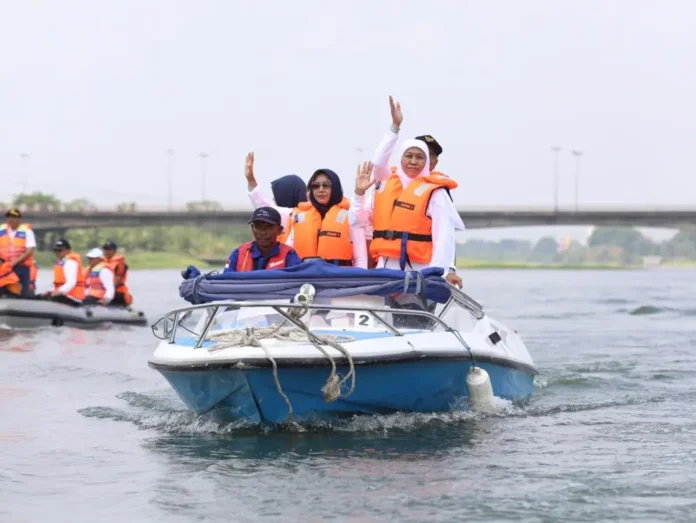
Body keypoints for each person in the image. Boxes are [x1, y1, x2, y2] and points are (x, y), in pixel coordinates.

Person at [351, 141, 464, 288]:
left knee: (411, 310)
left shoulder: (436, 193)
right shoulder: (383, 189)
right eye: (408, 156)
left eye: (419, 157)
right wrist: (359, 194)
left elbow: (444, 236)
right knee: (385, 310)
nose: (413, 161)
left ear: (428, 162)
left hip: (420, 271)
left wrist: (440, 273)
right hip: (386, 269)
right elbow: (357, 222)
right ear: (400, 159)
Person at [244, 155, 308, 244]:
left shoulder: (293, 215)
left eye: (276, 197)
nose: (274, 200)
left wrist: (251, 181)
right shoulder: (293, 216)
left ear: (287, 195)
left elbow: (263, 205)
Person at [224, 207, 302, 273]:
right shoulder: (238, 254)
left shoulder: (289, 255)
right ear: (252, 228)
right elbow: (225, 282)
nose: (262, 232)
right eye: (258, 226)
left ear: (279, 230)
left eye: (268, 227)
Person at [0, 208, 37, 297]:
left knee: (25, 293)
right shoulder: (1, 230)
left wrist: (14, 263)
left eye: (13, 217)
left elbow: (29, 251)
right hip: (5, 266)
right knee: (4, 288)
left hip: (22, 267)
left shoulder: (27, 231)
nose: (10, 219)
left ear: (19, 219)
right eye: (9, 217)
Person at [42, 239, 84, 306]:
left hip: (73, 298)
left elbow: (71, 282)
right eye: (56, 250)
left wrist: (59, 292)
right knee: (40, 297)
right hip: (64, 295)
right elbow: (59, 284)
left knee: (51, 300)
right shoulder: (61, 263)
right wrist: (51, 291)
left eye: (60, 250)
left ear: (68, 250)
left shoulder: (71, 262)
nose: (57, 252)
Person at [102, 240, 133, 306]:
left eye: (109, 250)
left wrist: (107, 290)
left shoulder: (120, 264)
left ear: (114, 251)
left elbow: (117, 281)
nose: (107, 252)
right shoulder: (101, 262)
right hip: (104, 289)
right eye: (105, 249)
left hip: (118, 291)